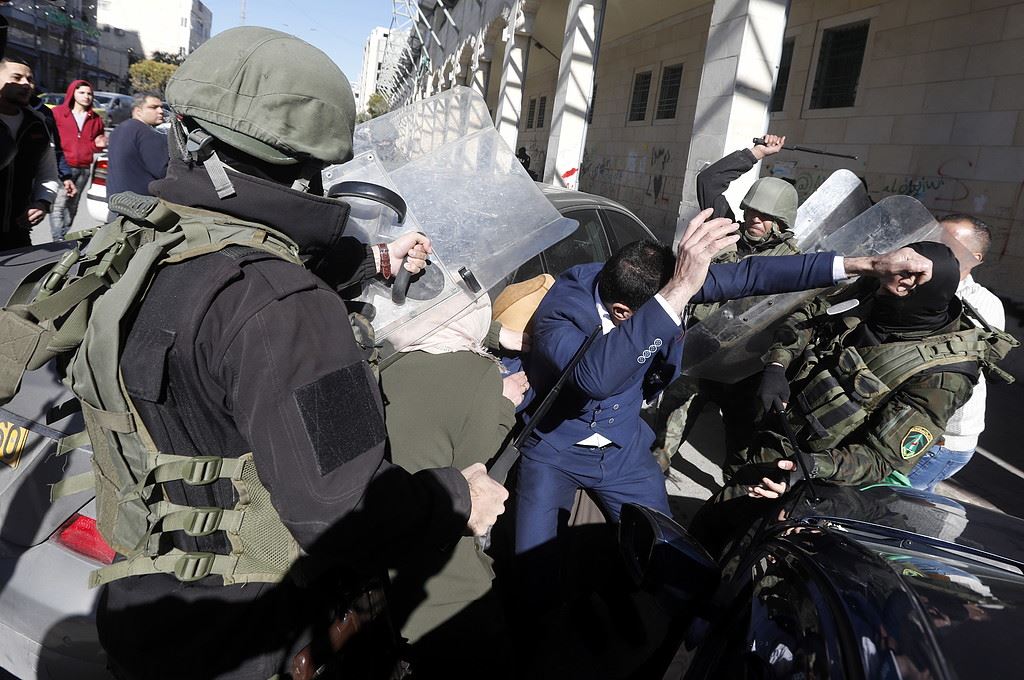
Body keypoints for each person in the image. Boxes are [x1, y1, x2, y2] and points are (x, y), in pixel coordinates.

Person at [78, 27, 507, 679]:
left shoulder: (140, 241)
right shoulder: (285, 308)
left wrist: (373, 260)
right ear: (316, 161)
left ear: (184, 131)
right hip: (247, 638)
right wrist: (457, 497)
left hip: (146, 607)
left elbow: (234, 261)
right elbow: (344, 509)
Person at [514, 210, 936, 564]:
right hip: (555, 450)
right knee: (533, 564)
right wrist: (678, 291)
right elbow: (595, 379)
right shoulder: (564, 309)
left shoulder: (656, 285)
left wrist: (867, 264)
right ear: (623, 312)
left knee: (665, 552)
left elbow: (754, 275)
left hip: (623, 452)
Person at [739, 241, 1015, 502]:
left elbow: (881, 459)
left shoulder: (944, 376)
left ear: (908, 284)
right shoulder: (874, 289)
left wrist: (808, 467)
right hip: (771, 424)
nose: (888, 270)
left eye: (905, 270)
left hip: (809, 473)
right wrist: (778, 363)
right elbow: (810, 313)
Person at [381, 298, 527, 677]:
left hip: (375, 565)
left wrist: (500, 337)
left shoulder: (381, 355)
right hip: (437, 582)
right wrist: (504, 405)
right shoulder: (478, 374)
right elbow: (478, 475)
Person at [649, 134, 800, 474]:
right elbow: (709, 180)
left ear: (781, 222)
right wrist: (756, 152)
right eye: (752, 211)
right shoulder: (728, 231)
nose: (754, 219)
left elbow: (793, 318)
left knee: (739, 452)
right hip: (698, 352)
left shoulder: (792, 261)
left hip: (743, 368)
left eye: (765, 215)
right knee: (663, 438)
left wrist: (777, 365)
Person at [909, 215, 1006, 492]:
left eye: (947, 244)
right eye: (932, 237)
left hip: (937, 440)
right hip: (904, 424)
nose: (934, 247)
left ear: (974, 258)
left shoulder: (982, 305)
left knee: (879, 505)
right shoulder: (912, 282)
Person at [0, 56, 59, 249]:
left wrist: (42, 202)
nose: (26, 84)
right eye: (17, 77)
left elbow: (48, 174)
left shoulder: (38, 124)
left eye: (30, 79)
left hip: (18, 233)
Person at [50, 78, 106, 240]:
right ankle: (58, 239)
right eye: (81, 92)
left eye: (89, 94)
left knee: (72, 207)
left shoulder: (96, 119)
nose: (86, 96)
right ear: (72, 93)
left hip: (84, 168)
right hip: (62, 165)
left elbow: (96, 143)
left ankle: (62, 235)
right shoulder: (58, 113)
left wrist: (98, 146)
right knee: (59, 205)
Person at [105, 91, 168, 215]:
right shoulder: (147, 133)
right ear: (138, 111)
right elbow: (162, 171)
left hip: (117, 203)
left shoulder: (118, 130)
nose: (160, 111)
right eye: (154, 107)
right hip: (142, 206)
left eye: (161, 107)